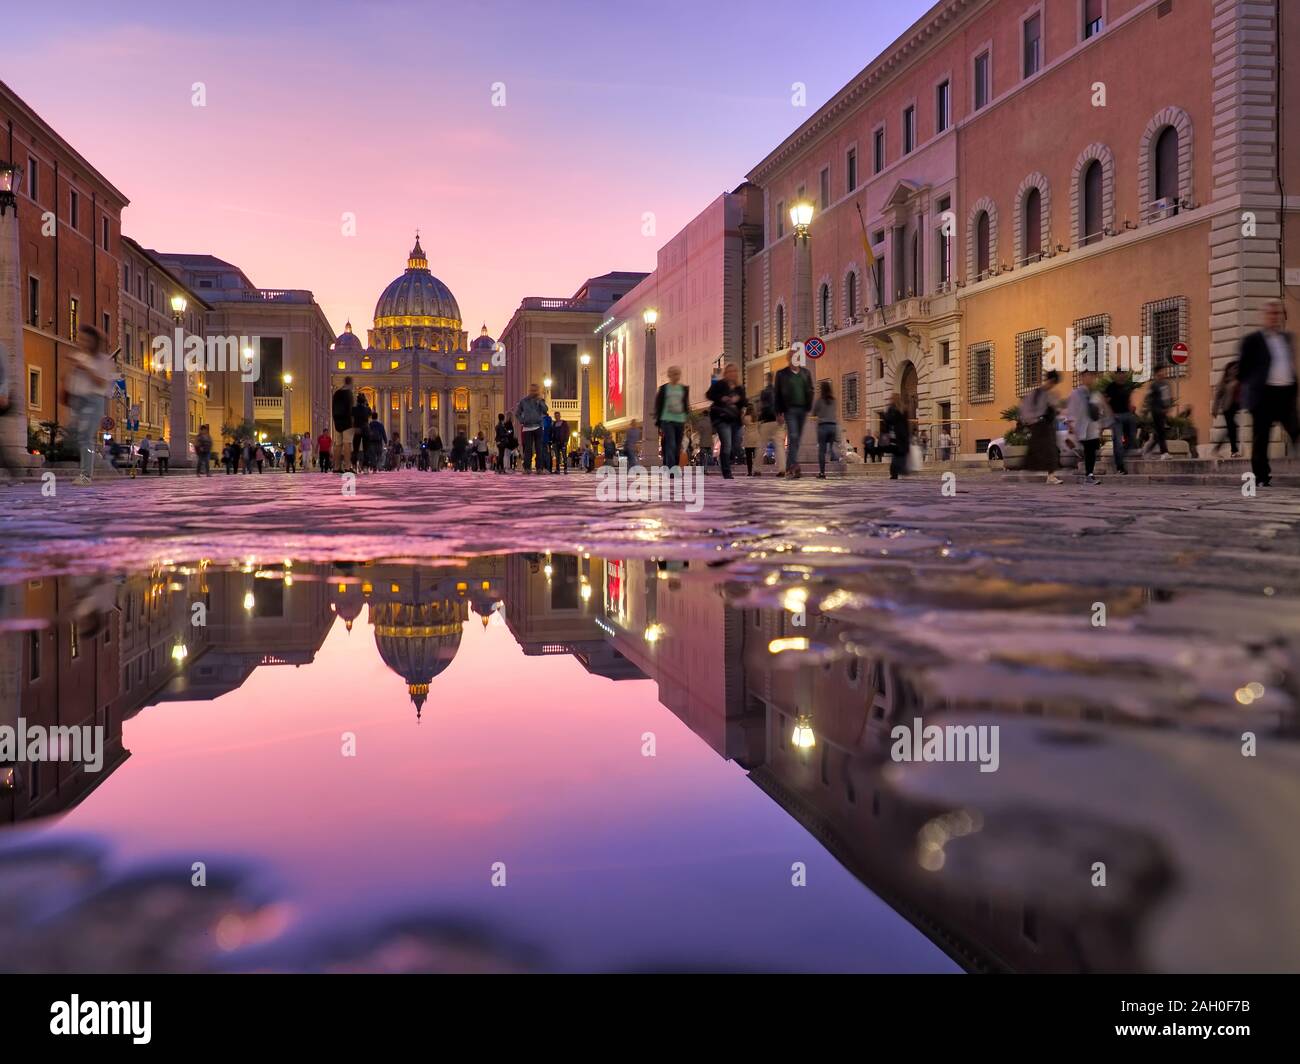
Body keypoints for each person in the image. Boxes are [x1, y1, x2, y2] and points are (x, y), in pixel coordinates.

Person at [1238, 300, 1297, 487]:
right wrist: (1253, 386)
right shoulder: (1252, 340)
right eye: (1270, 313)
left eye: (1277, 313)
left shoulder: (1286, 338)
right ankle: (1262, 477)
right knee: (1261, 438)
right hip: (1264, 395)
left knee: (1296, 430)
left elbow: (1288, 363)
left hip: (1285, 393)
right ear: (1263, 316)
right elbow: (1242, 370)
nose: (1274, 317)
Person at [1021, 370, 1063, 484]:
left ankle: (1051, 476)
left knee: (1051, 450)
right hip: (1038, 425)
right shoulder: (1036, 393)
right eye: (1052, 382)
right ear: (1050, 380)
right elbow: (1026, 409)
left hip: (1048, 426)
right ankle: (1027, 473)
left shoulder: (1052, 394)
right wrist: (1031, 421)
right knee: (1036, 450)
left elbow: (1056, 409)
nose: (1052, 385)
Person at [705, 362, 746, 480]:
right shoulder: (720, 385)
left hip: (735, 419)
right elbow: (709, 394)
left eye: (734, 371)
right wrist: (722, 398)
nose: (733, 374)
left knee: (736, 445)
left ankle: (726, 461)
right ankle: (726, 472)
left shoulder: (739, 388)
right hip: (722, 418)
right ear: (726, 373)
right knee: (727, 444)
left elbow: (744, 402)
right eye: (730, 371)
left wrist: (738, 399)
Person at [774, 360, 813, 479]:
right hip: (789, 409)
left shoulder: (806, 373)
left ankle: (789, 467)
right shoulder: (782, 374)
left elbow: (810, 389)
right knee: (794, 436)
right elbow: (778, 394)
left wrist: (809, 406)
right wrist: (778, 413)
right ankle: (794, 465)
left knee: (796, 440)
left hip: (802, 409)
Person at [1066, 371, 1103, 484]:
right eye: (1087, 376)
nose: (1090, 378)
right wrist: (1071, 423)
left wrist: (1100, 425)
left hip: (1093, 426)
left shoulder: (1095, 394)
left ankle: (1089, 475)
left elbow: (1099, 410)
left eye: (1092, 376)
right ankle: (1088, 474)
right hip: (1081, 426)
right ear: (1082, 377)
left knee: (1091, 451)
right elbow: (1071, 409)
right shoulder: (1075, 393)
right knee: (1086, 450)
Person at [653, 366, 690, 471]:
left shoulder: (683, 389)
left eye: (677, 373)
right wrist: (658, 419)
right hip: (667, 419)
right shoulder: (664, 388)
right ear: (669, 375)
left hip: (680, 420)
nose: (675, 376)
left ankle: (675, 465)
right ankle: (671, 469)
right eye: (673, 373)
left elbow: (685, 404)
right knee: (671, 444)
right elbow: (658, 404)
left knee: (677, 446)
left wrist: (686, 417)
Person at [1103, 370, 1138, 475]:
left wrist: (1131, 409)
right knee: (1118, 441)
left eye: (1124, 375)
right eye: (1120, 375)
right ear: (1116, 376)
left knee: (1131, 435)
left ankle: (1126, 451)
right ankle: (1120, 467)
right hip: (1116, 416)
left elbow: (1128, 400)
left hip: (1127, 415)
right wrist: (1110, 414)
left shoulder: (1126, 387)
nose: (1122, 377)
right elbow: (1105, 402)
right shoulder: (1111, 387)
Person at [1211, 360, 1242, 457]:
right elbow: (1218, 395)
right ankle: (1233, 451)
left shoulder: (1238, 379)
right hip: (1227, 408)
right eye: (1234, 368)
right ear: (1228, 370)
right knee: (1232, 428)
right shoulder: (1225, 381)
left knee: (1231, 428)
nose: (1235, 370)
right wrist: (1214, 408)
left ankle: (1221, 449)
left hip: (1235, 407)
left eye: (1236, 368)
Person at [515, 383, 548, 473]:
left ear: (538, 391)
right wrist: (522, 420)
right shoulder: (523, 401)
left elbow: (545, 410)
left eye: (535, 391)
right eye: (532, 390)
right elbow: (517, 413)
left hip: (538, 426)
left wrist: (540, 402)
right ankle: (527, 468)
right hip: (527, 428)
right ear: (529, 391)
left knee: (539, 449)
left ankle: (539, 468)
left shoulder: (541, 400)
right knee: (528, 449)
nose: (533, 392)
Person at [1142, 365, 1173, 459]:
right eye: (1160, 372)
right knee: (1161, 432)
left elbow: (1168, 397)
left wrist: (1168, 407)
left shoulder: (1167, 384)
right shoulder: (1153, 385)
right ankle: (1164, 453)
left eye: (1163, 371)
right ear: (1156, 374)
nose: (1163, 373)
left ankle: (1147, 450)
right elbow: (1148, 398)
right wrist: (1147, 411)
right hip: (1156, 411)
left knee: (1159, 433)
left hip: (1164, 412)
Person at [757, 372, 783, 477]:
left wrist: (760, 419)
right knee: (779, 446)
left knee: (761, 446)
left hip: (766, 420)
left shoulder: (764, 392)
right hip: (777, 420)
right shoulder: (778, 392)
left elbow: (761, 407)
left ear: (767, 379)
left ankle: (757, 469)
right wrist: (780, 415)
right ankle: (782, 469)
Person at [812, 379, 838, 479]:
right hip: (833, 426)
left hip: (823, 426)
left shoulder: (819, 400)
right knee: (830, 446)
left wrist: (819, 414)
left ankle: (822, 473)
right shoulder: (834, 400)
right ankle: (832, 453)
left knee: (821, 451)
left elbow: (814, 413)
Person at [882, 394, 910, 480]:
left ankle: (895, 472)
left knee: (896, 454)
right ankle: (898, 471)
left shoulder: (893, 409)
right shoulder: (902, 409)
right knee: (898, 454)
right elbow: (906, 424)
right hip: (901, 435)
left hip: (895, 435)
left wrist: (885, 414)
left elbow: (889, 420)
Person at [332, 377, 356, 473]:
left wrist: (335, 419)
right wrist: (353, 422)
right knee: (347, 444)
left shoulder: (336, 393)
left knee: (338, 445)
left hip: (337, 422)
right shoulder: (349, 394)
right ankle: (347, 467)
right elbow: (351, 409)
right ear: (350, 383)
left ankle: (336, 467)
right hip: (347, 422)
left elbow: (333, 407)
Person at [741, 408, 759, 476]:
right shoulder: (756, 417)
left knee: (749, 458)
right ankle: (757, 471)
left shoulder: (745, 417)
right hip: (756, 438)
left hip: (748, 438)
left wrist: (742, 414)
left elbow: (742, 423)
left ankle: (750, 472)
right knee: (756, 457)